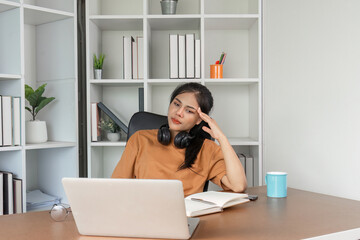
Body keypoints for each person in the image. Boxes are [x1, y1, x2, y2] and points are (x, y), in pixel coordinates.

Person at [111, 82, 247, 196]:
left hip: (185, 219)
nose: (179, 113)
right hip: (143, 217)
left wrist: (222, 138)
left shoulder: (207, 149)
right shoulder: (140, 139)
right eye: (176, 104)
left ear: (199, 119)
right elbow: (115, 188)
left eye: (189, 111)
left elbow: (238, 186)